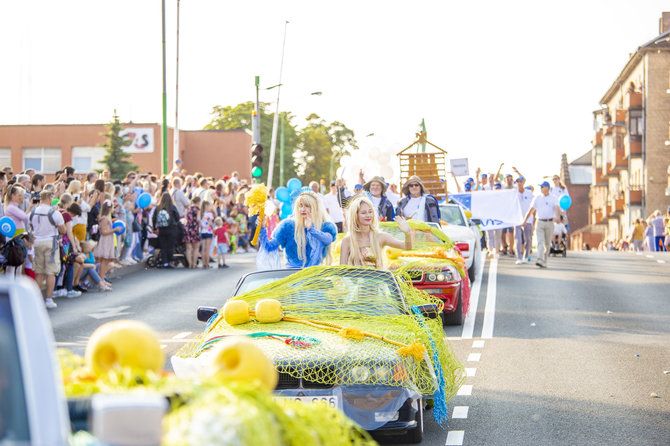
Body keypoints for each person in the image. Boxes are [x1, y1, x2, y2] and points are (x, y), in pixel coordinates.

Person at [258, 191, 337, 268]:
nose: (303, 209)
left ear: (315, 208)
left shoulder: (325, 226)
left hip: (314, 276)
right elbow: (269, 247)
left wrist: (312, 230)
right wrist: (262, 229)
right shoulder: (288, 226)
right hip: (292, 275)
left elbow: (328, 239)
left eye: (307, 206)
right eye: (300, 205)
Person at [339, 196, 411, 268]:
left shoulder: (380, 237)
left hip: (378, 278)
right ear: (355, 216)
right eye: (363, 213)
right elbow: (342, 270)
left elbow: (407, 247)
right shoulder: (347, 241)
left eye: (370, 212)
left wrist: (407, 233)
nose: (368, 215)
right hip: (354, 278)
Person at [30, 190, 66, 309]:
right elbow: (63, 230)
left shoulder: (33, 211)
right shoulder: (54, 213)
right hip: (50, 242)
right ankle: (48, 299)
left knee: (39, 272)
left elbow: (31, 226)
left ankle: (35, 300)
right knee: (51, 272)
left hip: (37, 242)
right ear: (50, 198)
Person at [521, 181, 561, 268]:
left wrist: (557, 217)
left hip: (550, 222)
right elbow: (531, 210)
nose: (541, 188)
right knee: (540, 242)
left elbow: (557, 208)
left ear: (547, 188)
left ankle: (544, 260)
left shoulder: (553, 198)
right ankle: (539, 259)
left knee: (547, 244)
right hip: (540, 222)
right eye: (541, 187)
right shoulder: (537, 198)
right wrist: (524, 221)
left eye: (542, 186)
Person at [152, 192, 181, 269]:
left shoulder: (158, 208)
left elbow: (154, 218)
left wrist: (154, 228)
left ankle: (164, 263)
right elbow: (177, 218)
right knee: (170, 246)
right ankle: (170, 261)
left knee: (163, 247)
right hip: (172, 229)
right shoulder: (172, 207)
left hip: (162, 229)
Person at [93, 200, 116, 282]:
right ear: (109, 208)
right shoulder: (105, 218)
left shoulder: (107, 218)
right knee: (103, 259)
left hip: (108, 240)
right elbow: (103, 231)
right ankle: (101, 279)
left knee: (106, 260)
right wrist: (114, 229)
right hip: (105, 240)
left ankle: (102, 277)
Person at [514, 177, 534, 264]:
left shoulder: (529, 193)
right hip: (517, 219)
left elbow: (534, 205)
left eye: (520, 181)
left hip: (528, 219)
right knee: (518, 239)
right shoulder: (513, 193)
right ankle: (519, 257)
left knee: (528, 239)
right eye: (517, 181)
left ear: (523, 183)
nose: (519, 183)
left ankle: (526, 256)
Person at [183, 196, 202, 269]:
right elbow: (198, 219)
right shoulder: (197, 209)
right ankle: (194, 264)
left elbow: (186, 218)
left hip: (188, 228)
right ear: (198, 202)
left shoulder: (188, 209)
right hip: (195, 228)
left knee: (188, 248)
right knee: (196, 248)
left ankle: (190, 264)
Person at [199, 200, 215, 269]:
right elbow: (211, 223)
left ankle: (203, 263)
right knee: (208, 249)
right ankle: (207, 263)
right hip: (208, 232)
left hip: (203, 231)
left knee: (203, 249)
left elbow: (199, 223)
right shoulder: (209, 214)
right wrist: (212, 230)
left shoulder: (201, 214)